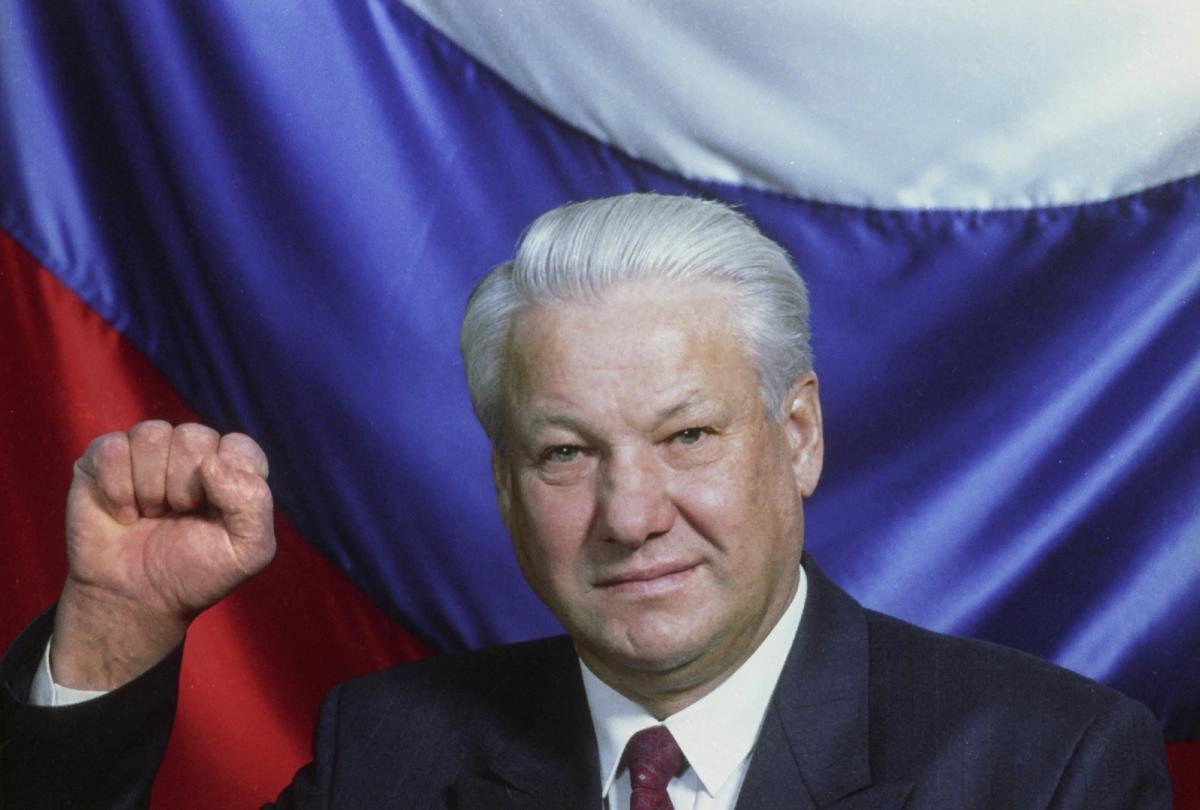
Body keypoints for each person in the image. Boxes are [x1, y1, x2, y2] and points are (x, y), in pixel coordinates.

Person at [0, 194, 1171, 808]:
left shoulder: (1049, 770)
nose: (631, 514)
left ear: (798, 437)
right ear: (504, 486)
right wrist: (113, 631)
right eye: (566, 453)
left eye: (687, 436)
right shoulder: (390, 756)